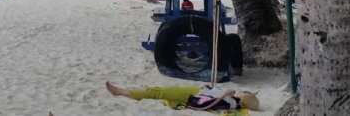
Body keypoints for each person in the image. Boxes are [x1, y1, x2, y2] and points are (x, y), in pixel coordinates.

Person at [105, 82, 259, 112]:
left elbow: (212, 104)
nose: (244, 91)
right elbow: (211, 95)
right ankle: (124, 91)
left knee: (158, 92)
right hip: (197, 91)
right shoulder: (232, 98)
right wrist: (209, 87)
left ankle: (120, 92)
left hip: (192, 96)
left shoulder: (232, 103)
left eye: (246, 93)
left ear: (244, 98)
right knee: (161, 89)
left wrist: (224, 93)